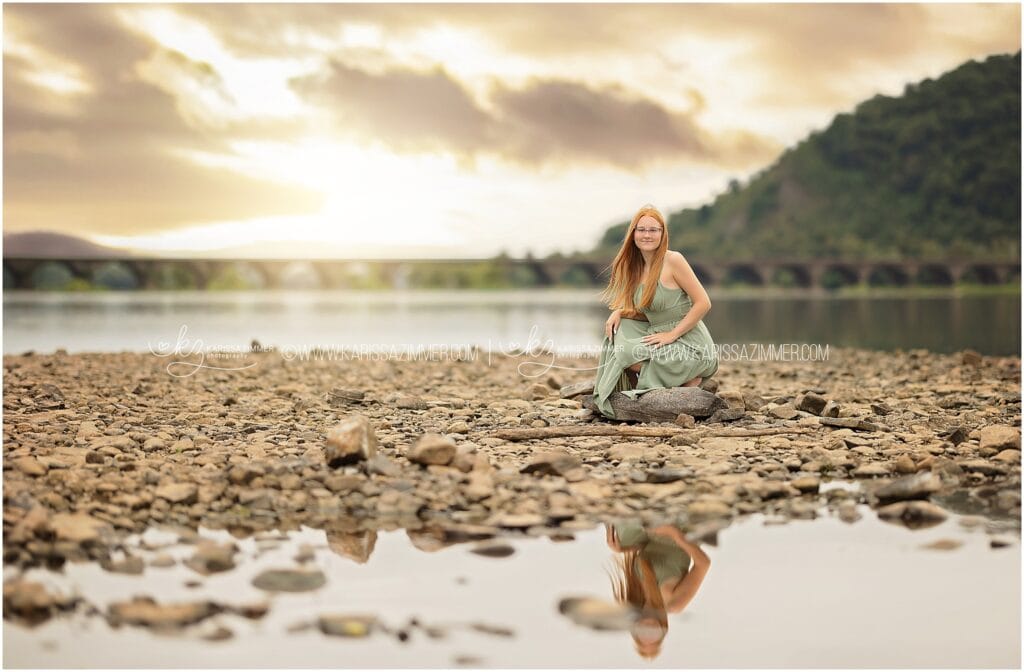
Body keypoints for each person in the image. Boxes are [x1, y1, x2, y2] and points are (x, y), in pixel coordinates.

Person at [593, 204, 718, 419]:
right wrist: (620, 312)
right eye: (641, 230)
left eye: (653, 230)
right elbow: (650, 312)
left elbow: (703, 303)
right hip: (658, 335)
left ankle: (685, 376)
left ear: (662, 234)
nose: (647, 235)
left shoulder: (674, 260)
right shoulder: (634, 267)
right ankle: (677, 382)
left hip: (690, 342)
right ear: (633, 234)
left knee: (628, 354)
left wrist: (672, 335)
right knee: (619, 340)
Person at [606, 521, 711, 660]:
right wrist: (675, 535)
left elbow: (647, 547)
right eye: (653, 636)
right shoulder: (675, 605)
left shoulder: (636, 597)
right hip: (683, 531)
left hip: (652, 533)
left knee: (619, 531)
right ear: (663, 630)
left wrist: (622, 550)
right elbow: (703, 563)